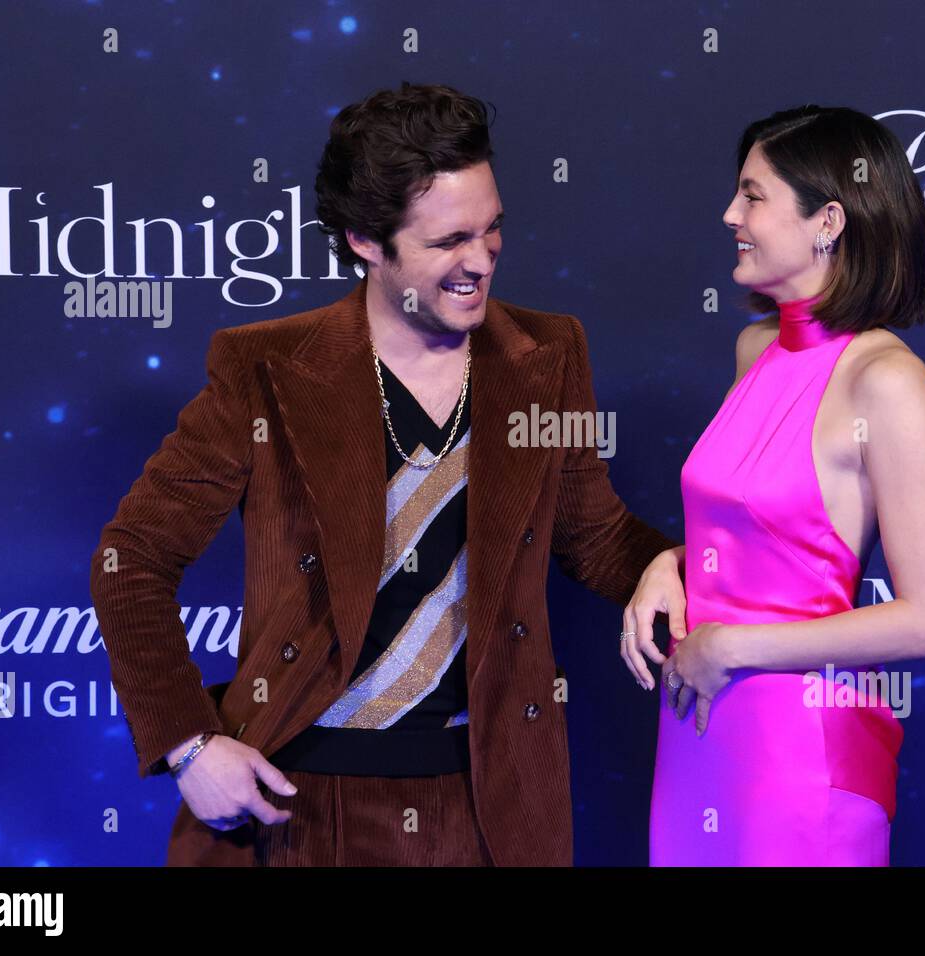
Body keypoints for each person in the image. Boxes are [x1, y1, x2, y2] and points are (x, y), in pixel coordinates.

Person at [89, 82, 682, 866]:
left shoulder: (548, 355)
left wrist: (661, 564)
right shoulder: (266, 369)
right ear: (366, 240)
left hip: (489, 805)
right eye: (448, 242)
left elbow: (592, 533)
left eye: (493, 229)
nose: (481, 261)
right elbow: (130, 560)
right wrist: (190, 745)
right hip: (297, 805)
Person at [622, 105, 925, 865]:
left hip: (802, 751)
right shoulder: (756, 349)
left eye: (752, 195)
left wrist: (734, 648)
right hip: (699, 730)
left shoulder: (888, 381)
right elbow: (769, 538)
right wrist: (666, 566)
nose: (729, 214)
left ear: (828, 220)